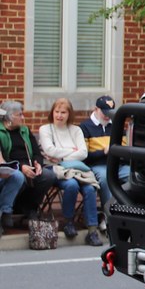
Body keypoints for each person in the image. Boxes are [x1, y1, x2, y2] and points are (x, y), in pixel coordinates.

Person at [38, 98, 103, 245]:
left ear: (69, 114)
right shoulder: (45, 129)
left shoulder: (76, 130)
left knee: (89, 188)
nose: (59, 115)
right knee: (71, 185)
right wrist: (72, 151)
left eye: (63, 112)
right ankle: (68, 222)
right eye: (57, 112)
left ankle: (92, 231)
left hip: (77, 169)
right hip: (56, 169)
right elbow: (49, 150)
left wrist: (61, 156)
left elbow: (83, 153)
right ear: (52, 112)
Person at [0, 100, 58, 229]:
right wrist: (21, 167)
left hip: (30, 166)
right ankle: (11, 208)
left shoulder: (25, 130)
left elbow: (36, 152)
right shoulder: (1, 132)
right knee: (19, 177)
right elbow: (4, 158)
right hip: (14, 167)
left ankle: (30, 207)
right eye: (19, 115)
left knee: (48, 176)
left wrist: (38, 163)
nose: (23, 117)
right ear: (9, 116)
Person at [81, 95, 129, 207]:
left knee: (134, 176)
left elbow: (125, 149)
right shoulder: (85, 127)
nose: (107, 116)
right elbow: (85, 156)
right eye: (104, 113)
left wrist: (118, 151)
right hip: (97, 165)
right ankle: (109, 211)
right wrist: (104, 152)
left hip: (118, 165)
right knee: (105, 177)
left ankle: (129, 209)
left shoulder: (117, 125)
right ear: (96, 109)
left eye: (110, 113)